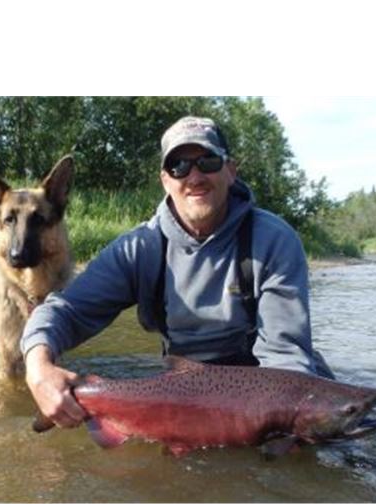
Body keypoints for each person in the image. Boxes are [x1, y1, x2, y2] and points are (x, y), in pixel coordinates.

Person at [21, 116, 332, 429]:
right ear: (165, 181)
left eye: (207, 161)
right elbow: (65, 310)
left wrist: (288, 426)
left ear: (230, 171)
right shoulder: (140, 248)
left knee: (338, 435)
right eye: (178, 166)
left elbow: (285, 357)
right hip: (182, 385)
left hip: (264, 385)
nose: (194, 177)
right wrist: (38, 368)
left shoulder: (274, 241)